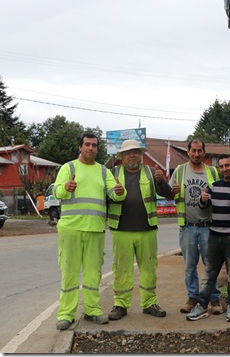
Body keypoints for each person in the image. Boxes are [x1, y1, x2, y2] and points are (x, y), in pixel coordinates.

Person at [54, 132, 127, 331]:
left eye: (94, 145)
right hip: (71, 228)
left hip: (95, 229)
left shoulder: (103, 171)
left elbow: (115, 193)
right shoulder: (68, 168)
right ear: (80, 146)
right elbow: (56, 191)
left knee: (93, 273)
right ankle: (66, 314)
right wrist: (65, 187)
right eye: (87, 144)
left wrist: (121, 192)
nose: (91, 148)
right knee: (69, 272)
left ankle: (92, 310)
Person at [186, 153, 230, 322]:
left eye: (227, 165)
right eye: (221, 166)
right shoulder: (215, 187)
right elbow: (205, 206)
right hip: (214, 238)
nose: (224, 169)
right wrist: (203, 199)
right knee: (209, 274)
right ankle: (202, 306)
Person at [107, 139, 172, 321]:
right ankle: (120, 304)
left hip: (147, 229)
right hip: (121, 230)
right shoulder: (112, 174)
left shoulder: (152, 173)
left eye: (136, 152)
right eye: (128, 153)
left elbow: (167, 194)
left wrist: (161, 182)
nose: (132, 155)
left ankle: (149, 303)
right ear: (122, 157)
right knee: (121, 270)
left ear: (141, 155)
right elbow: (105, 198)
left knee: (149, 268)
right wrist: (114, 195)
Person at [168, 138, 222, 314]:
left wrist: (211, 199)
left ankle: (213, 299)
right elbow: (169, 194)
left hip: (208, 227)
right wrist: (170, 191)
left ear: (204, 152)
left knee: (210, 265)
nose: (196, 154)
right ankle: (193, 298)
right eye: (193, 150)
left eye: (200, 151)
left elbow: (221, 197)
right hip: (188, 227)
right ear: (188, 152)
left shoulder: (213, 172)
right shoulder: (180, 170)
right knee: (189, 266)